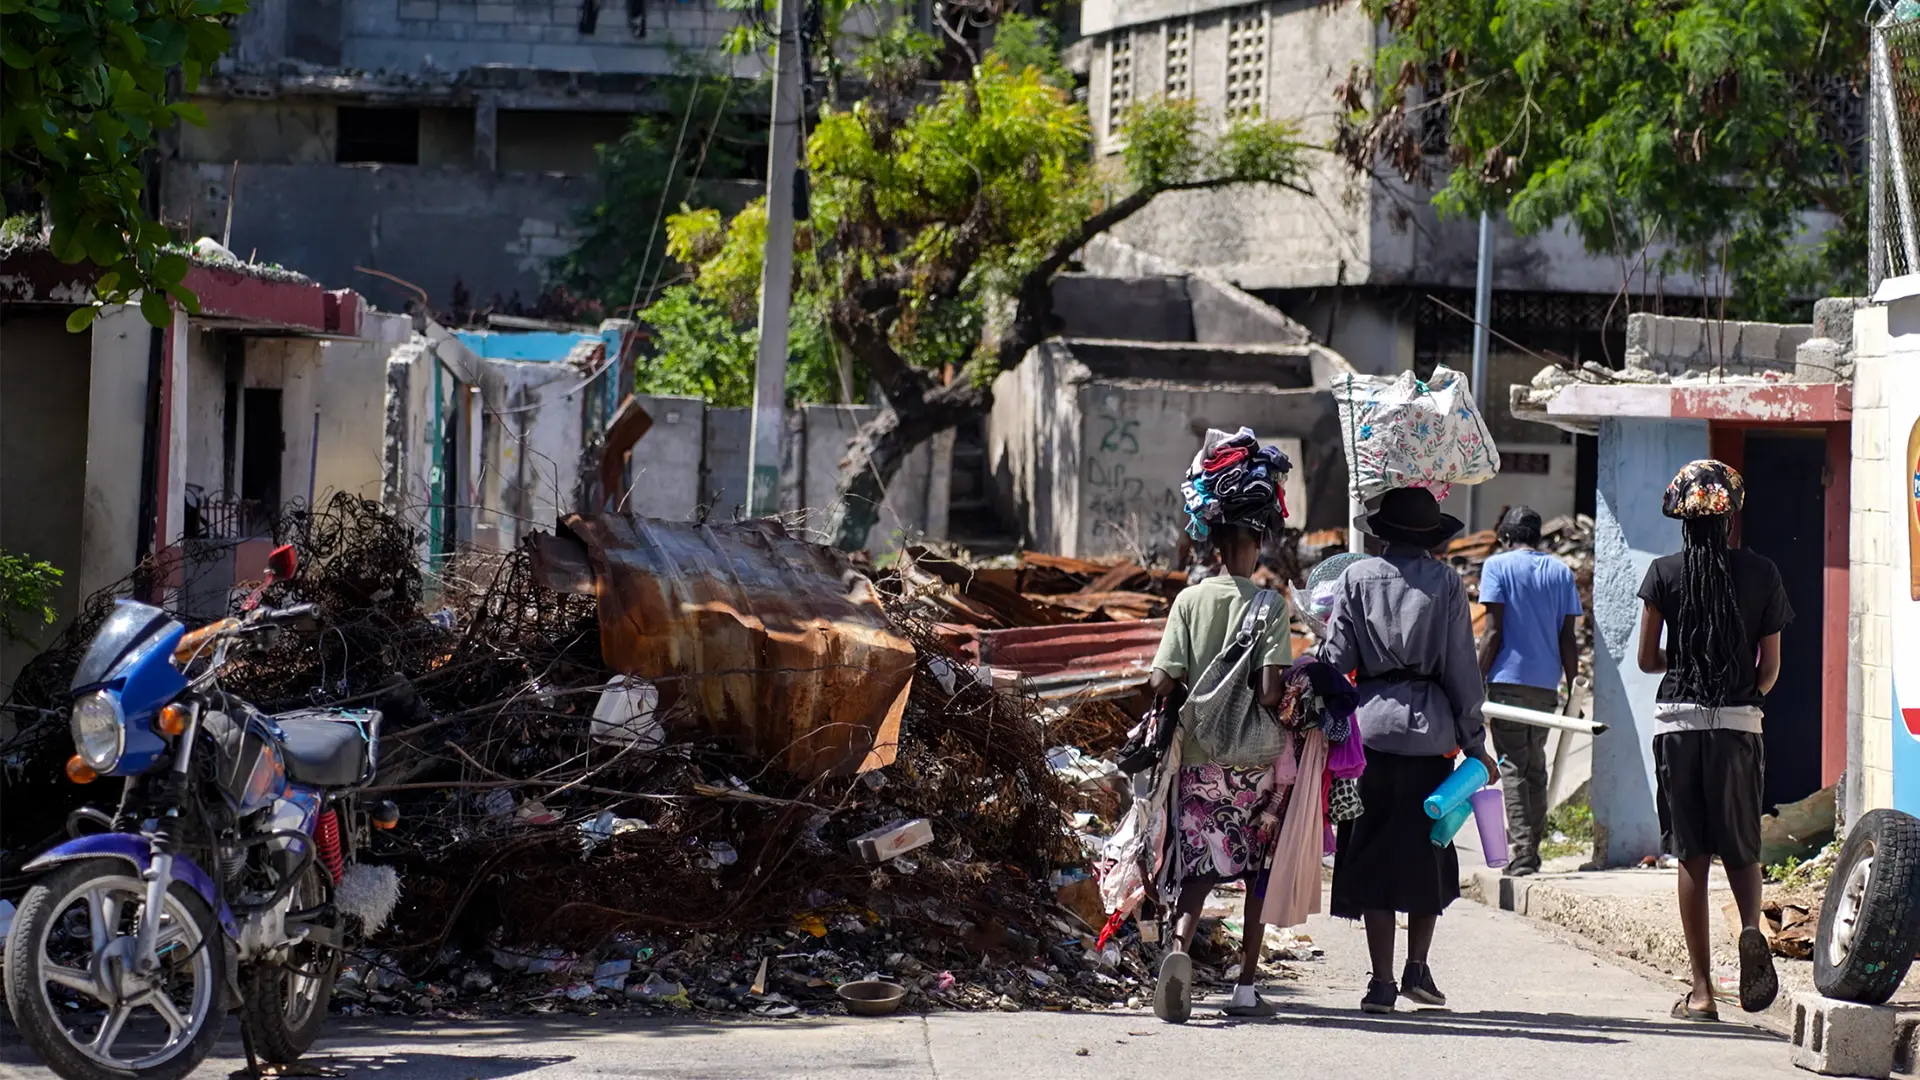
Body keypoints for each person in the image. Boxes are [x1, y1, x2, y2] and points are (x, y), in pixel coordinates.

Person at [1320, 486, 1497, 1015]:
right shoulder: (1447, 583)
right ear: (1430, 537)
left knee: (1372, 854)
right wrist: (1476, 744)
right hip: (1432, 739)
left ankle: (1380, 982)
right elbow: (1462, 671)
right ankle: (1416, 969)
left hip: (1368, 738)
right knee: (1429, 851)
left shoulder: (1354, 579)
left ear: (1383, 535)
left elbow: (1335, 664)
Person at [1145, 429, 1296, 1023]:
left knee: (1199, 870)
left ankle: (1178, 952)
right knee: (1255, 873)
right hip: (1253, 767)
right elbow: (1270, 691)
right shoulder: (1269, 606)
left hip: (1198, 762)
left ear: (1212, 544)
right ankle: (1245, 988)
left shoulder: (1188, 601)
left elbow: (1161, 681)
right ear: (1255, 544)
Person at [1636, 459, 1789, 1021]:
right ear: (1730, 518)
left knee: (1692, 854)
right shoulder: (1762, 573)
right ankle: (1750, 928)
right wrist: (1739, 685)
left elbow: (1647, 659)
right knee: (1742, 848)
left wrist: (1688, 660)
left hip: (1678, 724)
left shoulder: (1663, 573)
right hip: (1739, 724)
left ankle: (1701, 993)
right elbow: (1769, 670)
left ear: (1682, 519)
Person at [1477, 505, 1584, 876]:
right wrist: (1574, 689)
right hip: (1545, 685)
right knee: (1535, 767)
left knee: (1512, 766)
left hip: (1507, 683)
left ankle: (1523, 851)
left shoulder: (1497, 566)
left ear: (1506, 537)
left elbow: (1493, 632)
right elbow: (1567, 638)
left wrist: (1474, 681)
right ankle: (1532, 848)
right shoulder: (1560, 571)